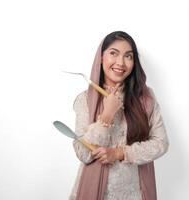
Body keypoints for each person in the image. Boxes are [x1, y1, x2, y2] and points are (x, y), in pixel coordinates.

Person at [69, 31, 169, 200]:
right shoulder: (84, 99)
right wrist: (106, 116)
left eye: (128, 56)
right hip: (93, 192)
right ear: (101, 57)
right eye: (113, 53)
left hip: (135, 193)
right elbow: (83, 154)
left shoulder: (145, 98)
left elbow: (161, 144)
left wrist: (119, 153)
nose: (121, 62)